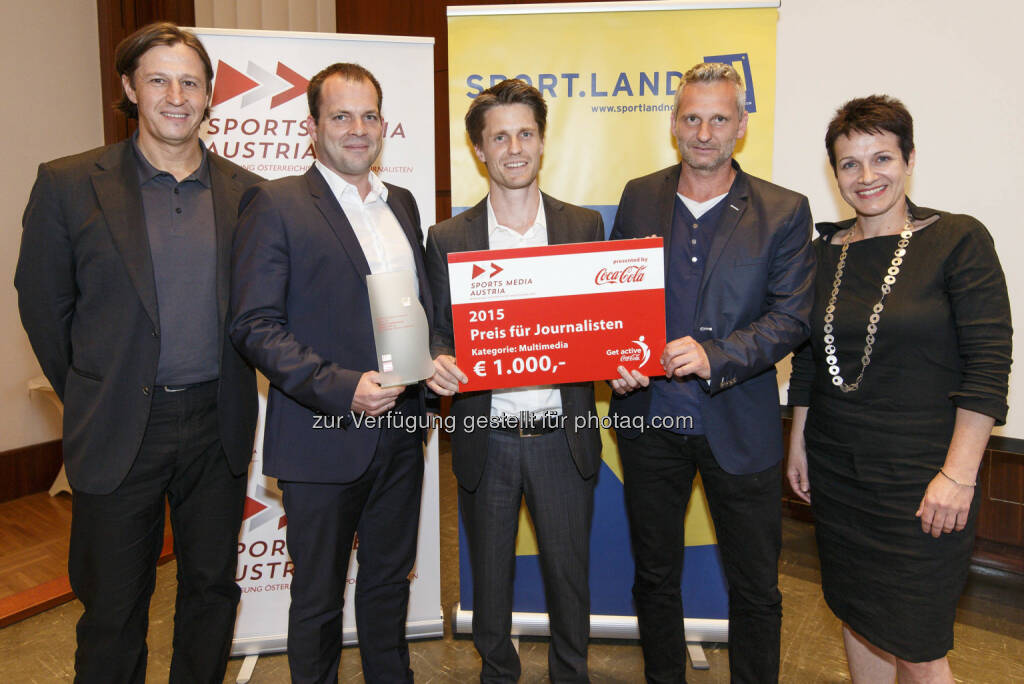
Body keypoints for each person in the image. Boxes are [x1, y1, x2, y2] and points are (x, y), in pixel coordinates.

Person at [14, 22, 259, 683]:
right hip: (119, 426)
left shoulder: (249, 192)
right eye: (158, 79)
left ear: (210, 95)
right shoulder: (69, 184)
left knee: (212, 591)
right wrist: (95, 389)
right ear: (128, 88)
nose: (175, 95)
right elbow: (42, 305)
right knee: (114, 606)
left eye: (190, 81)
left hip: (219, 426)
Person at [786, 95, 1012, 683]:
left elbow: (988, 366)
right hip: (840, 476)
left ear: (910, 158)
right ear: (834, 172)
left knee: (917, 644)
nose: (867, 177)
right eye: (850, 164)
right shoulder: (822, 254)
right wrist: (799, 444)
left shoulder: (958, 240)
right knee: (857, 615)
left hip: (925, 481)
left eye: (881, 158)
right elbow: (811, 361)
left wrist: (958, 475)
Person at [608, 62, 815, 683]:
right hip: (649, 422)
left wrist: (714, 355)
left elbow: (792, 318)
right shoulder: (639, 194)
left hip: (740, 426)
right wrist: (613, 357)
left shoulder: (783, 210)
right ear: (674, 124)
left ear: (741, 126)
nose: (704, 132)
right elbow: (615, 300)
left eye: (719, 118)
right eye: (692, 118)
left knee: (755, 588)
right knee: (653, 575)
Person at [229, 63, 432, 684]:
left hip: (402, 432)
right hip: (322, 439)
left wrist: (432, 364)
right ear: (311, 125)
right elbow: (254, 325)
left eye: (369, 116)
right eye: (341, 116)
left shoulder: (401, 202)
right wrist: (345, 389)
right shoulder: (276, 202)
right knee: (316, 601)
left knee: (387, 586)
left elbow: (415, 308)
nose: (357, 129)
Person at [426, 79, 603, 683]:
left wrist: (623, 359)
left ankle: (569, 676)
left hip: (563, 436)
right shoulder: (448, 239)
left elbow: (599, 326)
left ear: (543, 140)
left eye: (525, 132)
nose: (514, 147)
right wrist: (437, 360)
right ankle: (497, 674)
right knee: (489, 585)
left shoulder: (583, 228)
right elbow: (437, 331)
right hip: (487, 438)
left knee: (569, 582)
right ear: (480, 150)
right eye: (499, 136)